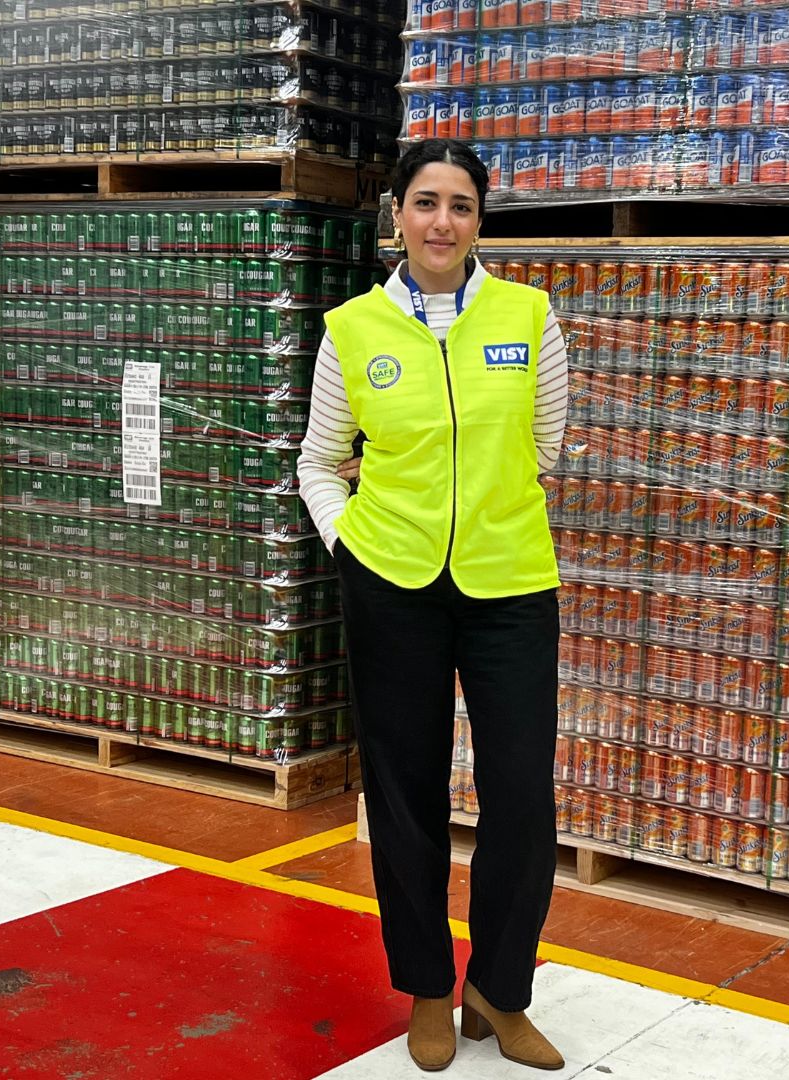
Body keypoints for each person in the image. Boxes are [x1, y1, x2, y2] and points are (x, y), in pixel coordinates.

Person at [297, 138, 569, 1073]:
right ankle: (425, 988)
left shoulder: (530, 317)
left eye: (460, 204)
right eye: (425, 202)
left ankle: (499, 990)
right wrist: (351, 549)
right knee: (405, 796)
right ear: (397, 216)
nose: (442, 221)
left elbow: (549, 442)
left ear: (479, 220)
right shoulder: (353, 329)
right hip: (395, 589)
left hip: (511, 588)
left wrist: (491, 508)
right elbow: (317, 461)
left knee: (523, 796)